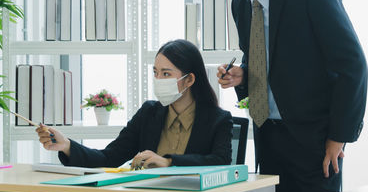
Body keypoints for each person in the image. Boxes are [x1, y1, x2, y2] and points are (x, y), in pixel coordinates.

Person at [214, 0, 368, 192]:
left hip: (314, 142)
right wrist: (242, 75)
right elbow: (262, 58)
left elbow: (352, 66)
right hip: (268, 137)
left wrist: (338, 137)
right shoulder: (240, 3)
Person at [37, 39, 233, 169]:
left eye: (166, 74)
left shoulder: (218, 120)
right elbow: (109, 158)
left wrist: (168, 162)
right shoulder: (148, 113)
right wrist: (67, 146)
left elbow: (220, 162)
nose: (158, 79)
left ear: (189, 80)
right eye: (155, 72)